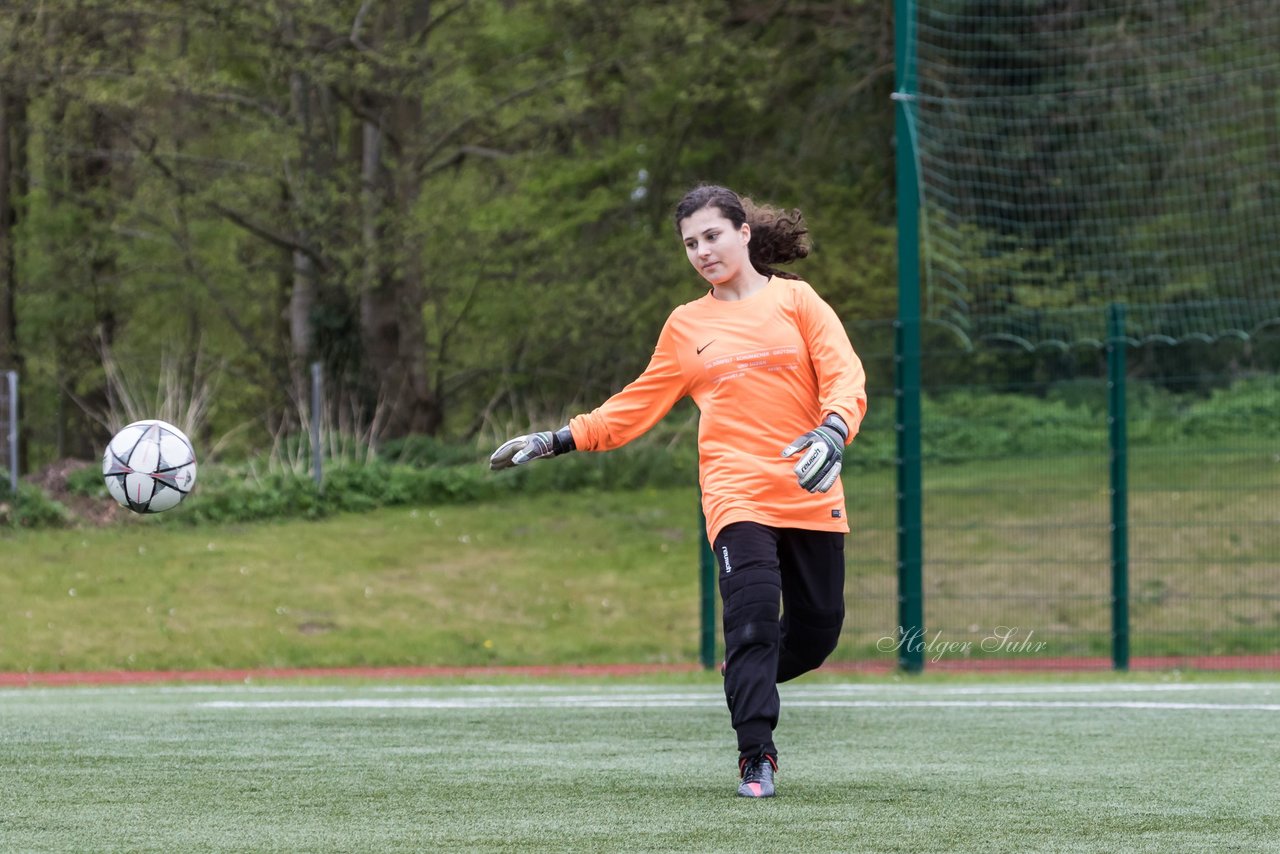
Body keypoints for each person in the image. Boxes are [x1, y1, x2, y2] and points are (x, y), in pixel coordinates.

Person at [489, 184, 867, 799]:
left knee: (818, 634)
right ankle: (757, 756)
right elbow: (634, 406)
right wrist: (558, 439)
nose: (701, 251)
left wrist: (833, 428)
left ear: (744, 232)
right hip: (734, 493)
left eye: (712, 235)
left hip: (807, 488)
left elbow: (844, 374)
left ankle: (744, 675)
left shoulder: (798, 302)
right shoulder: (687, 325)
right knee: (750, 622)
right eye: (690, 243)